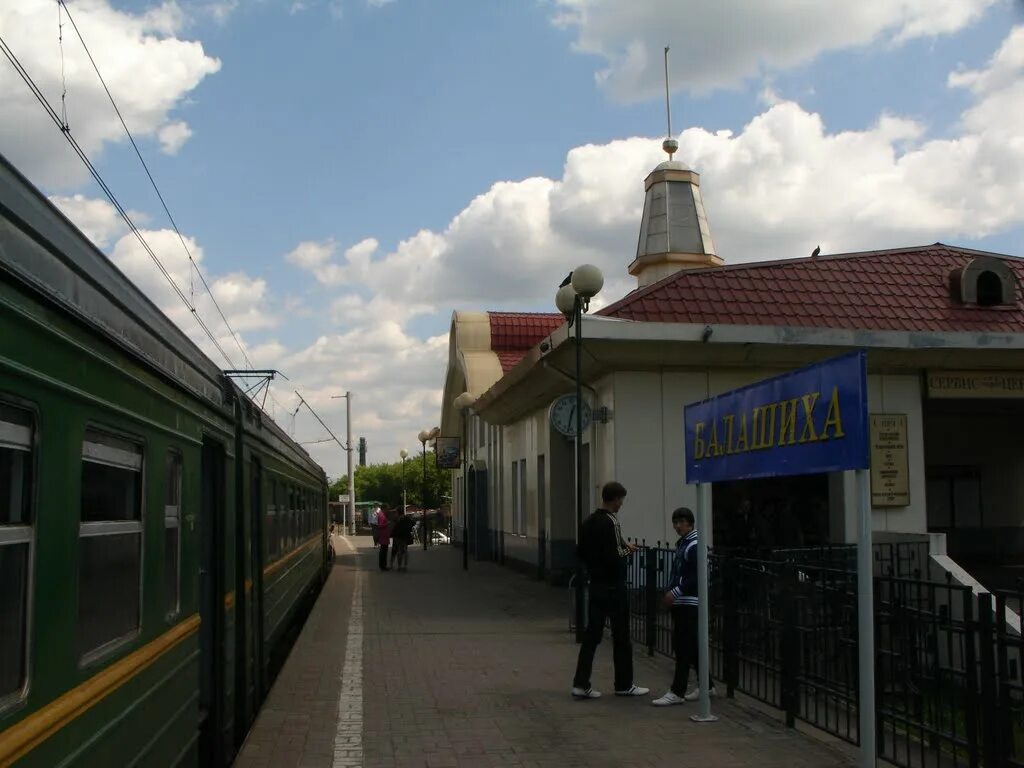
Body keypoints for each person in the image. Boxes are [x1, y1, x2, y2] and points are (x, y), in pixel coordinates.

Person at [571, 481, 649, 700]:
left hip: (595, 585)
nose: (621, 504)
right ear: (614, 499)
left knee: (592, 636)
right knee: (621, 636)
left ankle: (580, 683)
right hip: (614, 587)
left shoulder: (587, 522)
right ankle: (624, 684)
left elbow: (582, 552)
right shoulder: (611, 522)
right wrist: (628, 551)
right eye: (621, 500)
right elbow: (615, 555)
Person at [652, 507, 717, 706]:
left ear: (690, 523)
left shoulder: (693, 545)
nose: (677, 526)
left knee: (682, 646)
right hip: (684, 601)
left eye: (681, 522)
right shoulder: (687, 544)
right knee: (693, 646)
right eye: (675, 522)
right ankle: (707, 685)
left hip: (689, 602)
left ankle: (677, 690)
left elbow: (696, 574)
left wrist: (676, 591)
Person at [374, 506, 391, 571]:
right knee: (383, 551)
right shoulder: (381, 516)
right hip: (383, 535)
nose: (388, 511)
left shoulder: (382, 515)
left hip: (384, 535)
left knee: (384, 550)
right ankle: (383, 566)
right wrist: (387, 523)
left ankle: (383, 565)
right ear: (384, 509)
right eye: (387, 509)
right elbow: (380, 525)